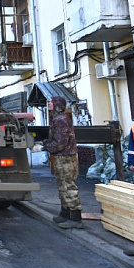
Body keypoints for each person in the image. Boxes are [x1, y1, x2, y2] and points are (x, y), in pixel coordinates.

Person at [44, 96, 83, 229]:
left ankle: (76, 218)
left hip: (66, 157)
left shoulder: (60, 120)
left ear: (57, 105)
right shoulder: (58, 118)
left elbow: (60, 143)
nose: (49, 104)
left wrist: (46, 146)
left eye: (51, 102)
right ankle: (65, 213)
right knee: (62, 185)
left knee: (68, 186)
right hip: (61, 156)